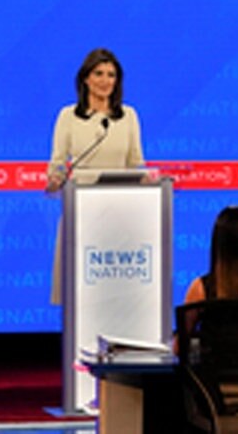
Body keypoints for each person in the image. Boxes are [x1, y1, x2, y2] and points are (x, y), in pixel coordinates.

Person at [46, 47, 144, 303]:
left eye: (111, 75)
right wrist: (55, 179)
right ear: (86, 79)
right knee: (82, 292)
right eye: (98, 73)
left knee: (115, 295)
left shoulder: (129, 116)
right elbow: (57, 163)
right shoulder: (68, 116)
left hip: (119, 215)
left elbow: (136, 165)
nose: (105, 80)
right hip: (81, 211)